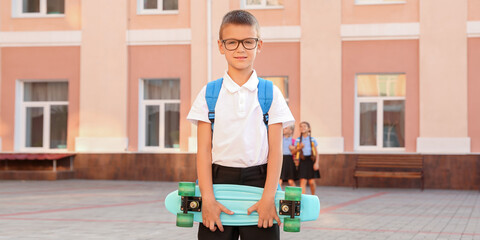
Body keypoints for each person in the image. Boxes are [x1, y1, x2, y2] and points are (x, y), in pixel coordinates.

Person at [187, 10, 295, 240]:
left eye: (248, 42)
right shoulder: (209, 93)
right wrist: (207, 200)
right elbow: (204, 151)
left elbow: (276, 151)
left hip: (260, 184)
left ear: (259, 45)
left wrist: (268, 198)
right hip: (217, 185)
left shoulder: (270, 93)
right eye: (232, 42)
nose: (240, 49)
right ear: (221, 46)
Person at [292, 121, 320, 195]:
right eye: (301, 126)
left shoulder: (312, 140)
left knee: (311, 182)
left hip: (311, 161)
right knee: (303, 181)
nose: (302, 128)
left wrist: (316, 163)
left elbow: (316, 153)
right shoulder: (298, 140)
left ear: (309, 129)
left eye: (304, 126)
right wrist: (299, 148)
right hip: (302, 161)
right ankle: (303, 198)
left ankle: (313, 196)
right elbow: (293, 152)